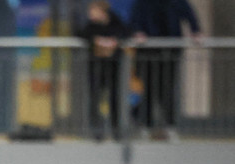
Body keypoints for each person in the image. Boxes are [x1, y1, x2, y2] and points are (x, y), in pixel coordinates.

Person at [129, 0, 202, 140]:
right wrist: (138, 33)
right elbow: (134, 20)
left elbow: (189, 14)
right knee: (149, 90)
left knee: (167, 91)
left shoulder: (176, 2)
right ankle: (146, 126)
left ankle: (170, 126)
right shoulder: (142, 3)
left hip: (170, 53)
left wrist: (196, 31)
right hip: (148, 54)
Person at [78, 1, 131, 141]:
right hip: (95, 68)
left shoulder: (116, 22)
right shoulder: (91, 26)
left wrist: (114, 40)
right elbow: (81, 34)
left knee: (114, 98)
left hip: (113, 67)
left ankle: (116, 130)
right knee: (94, 99)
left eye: (93, 11)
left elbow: (126, 33)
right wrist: (96, 40)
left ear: (102, 11)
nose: (90, 14)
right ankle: (96, 130)